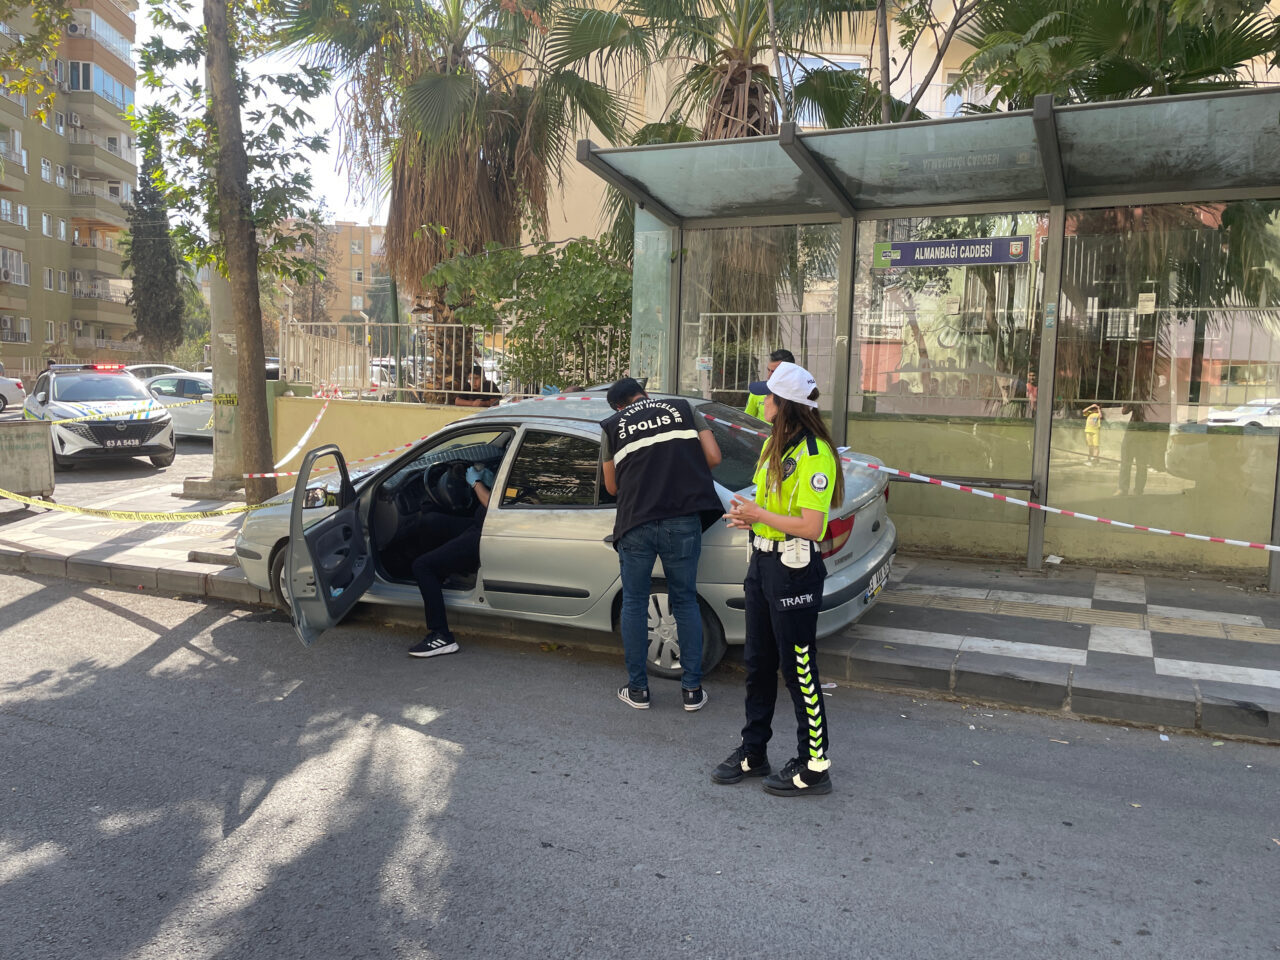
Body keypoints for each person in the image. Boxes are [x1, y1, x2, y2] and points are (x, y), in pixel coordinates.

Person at [714, 361, 844, 797]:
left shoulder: (814, 455)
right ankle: (754, 752)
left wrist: (760, 516)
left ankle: (815, 765)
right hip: (763, 564)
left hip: (794, 571)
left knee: (798, 669)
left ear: (784, 403)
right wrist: (751, 519)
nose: (762, 401)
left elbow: (812, 526)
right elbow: (770, 507)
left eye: (768, 395)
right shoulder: (775, 443)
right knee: (758, 663)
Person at [601, 377, 723, 711]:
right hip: (682, 518)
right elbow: (713, 457)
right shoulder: (683, 408)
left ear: (618, 407)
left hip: (636, 521)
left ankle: (638, 690)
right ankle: (692, 691)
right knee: (684, 600)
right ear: (646, 394)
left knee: (634, 603)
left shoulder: (613, 425)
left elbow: (612, 487)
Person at [407, 463, 495, 658]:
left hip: (486, 534)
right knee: (430, 522)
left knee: (421, 566)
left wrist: (476, 484)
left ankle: (441, 636)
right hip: (479, 524)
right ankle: (436, 580)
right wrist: (490, 480)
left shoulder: (530, 477)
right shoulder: (525, 471)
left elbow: (494, 506)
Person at [744, 349, 795, 420]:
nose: (769, 376)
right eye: (768, 370)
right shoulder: (758, 390)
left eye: (774, 372)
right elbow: (746, 420)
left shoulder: (800, 394)